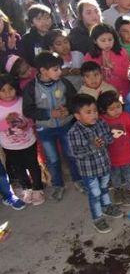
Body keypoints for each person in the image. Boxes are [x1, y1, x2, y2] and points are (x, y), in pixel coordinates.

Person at [22, 52, 80, 201]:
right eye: (55, 69)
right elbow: (28, 110)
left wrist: (68, 109)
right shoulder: (31, 88)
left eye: (59, 68)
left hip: (65, 125)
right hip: (45, 129)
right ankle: (58, 185)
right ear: (42, 71)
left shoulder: (64, 83)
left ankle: (78, 180)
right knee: (52, 159)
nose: (60, 72)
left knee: (72, 154)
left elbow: (75, 100)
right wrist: (49, 113)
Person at [66, 93, 123, 233]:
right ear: (77, 116)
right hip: (89, 171)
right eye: (88, 112)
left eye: (95, 111)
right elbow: (76, 153)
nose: (94, 115)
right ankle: (97, 218)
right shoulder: (74, 132)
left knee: (104, 188)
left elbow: (109, 138)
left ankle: (107, 207)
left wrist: (105, 140)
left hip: (103, 165)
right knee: (95, 194)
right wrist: (92, 146)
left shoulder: (101, 123)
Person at [0, 73, 43, 205]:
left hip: (28, 142)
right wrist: (7, 123)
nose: (8, 93)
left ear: (16, 88)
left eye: (11, 89)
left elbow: (31, 119)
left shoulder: (22, 101)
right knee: (18, 168)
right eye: (3, 90)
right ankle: (27, 188)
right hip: (10, 146)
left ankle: (38, 189)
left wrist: (25, 124)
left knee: (33, 166)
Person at [97, 90, 130, 206]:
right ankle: (117, 190)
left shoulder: (127, 117)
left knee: (129, 174)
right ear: (104, 110)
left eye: (118, 107)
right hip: (111, 156)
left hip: (126, 154)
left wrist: (127, 140)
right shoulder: (102, 121)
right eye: (112, 109)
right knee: (115, 175)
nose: (117, 111)